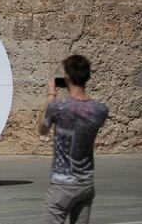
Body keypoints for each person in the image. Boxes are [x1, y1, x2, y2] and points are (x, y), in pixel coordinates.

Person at [38, 55, 108, 223]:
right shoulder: (100, 110)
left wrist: (50, 96)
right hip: (86, 183)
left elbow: (42, 129)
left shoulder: (58, 106)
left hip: (62, 184)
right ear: (87, 77)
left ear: (67, 77)